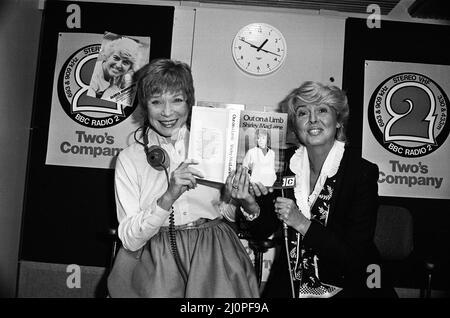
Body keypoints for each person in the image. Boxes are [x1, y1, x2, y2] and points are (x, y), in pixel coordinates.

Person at [107, 58, 259, 298]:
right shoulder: (129, 158)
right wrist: (169, 196)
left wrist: (241, 199)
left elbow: (226, 212)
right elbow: (129, 238)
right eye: (157, 102)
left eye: (177, 100)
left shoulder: (216, 142)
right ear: (145, 106)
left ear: (190, 102)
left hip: (215, 251)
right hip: (157, 259)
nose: (167, 112)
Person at [231, 81, 397, 298]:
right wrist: (249, 203)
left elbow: (353, 256)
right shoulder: (284, 164)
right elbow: (262, 230)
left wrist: (300, 222)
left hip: (349, 283)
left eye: (322, 110)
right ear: (295, 127)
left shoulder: (361, 173)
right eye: (302, 113)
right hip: (291, 282)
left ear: (338, 121)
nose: (312, 119)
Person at [88, 36, 140, 104]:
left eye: (125, 62)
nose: (118, 65)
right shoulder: (93, 74)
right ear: (108, 56)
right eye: (116, 58)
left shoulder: (120, 77)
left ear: (130, 68)